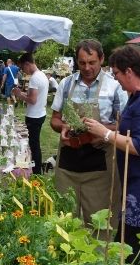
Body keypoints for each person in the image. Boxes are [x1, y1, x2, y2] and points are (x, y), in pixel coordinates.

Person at [84, 45, 140, 258]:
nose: (117, 80)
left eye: (117, 74)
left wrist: (105, 133)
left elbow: (138, 145)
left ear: (129, 71)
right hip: (139, 178)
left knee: (130, 242)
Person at [50, 39, 126, 232]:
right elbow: (55, 120)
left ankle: (101, 260)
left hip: (100, 163)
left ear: (101, 59)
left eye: (92, 62)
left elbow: (123, 124)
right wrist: (65, 126)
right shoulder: (66, 84)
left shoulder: (115, 86)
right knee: (64, 218)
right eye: (82, 63)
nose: (87, 67)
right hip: (69, 161)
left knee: (101, 222)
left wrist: (102, 130)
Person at [12, 53, 49, 175]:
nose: (23, 71)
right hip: (40, 113)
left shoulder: (34, 78)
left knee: (34, 145)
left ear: (27, 64)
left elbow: (32, 100)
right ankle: (36, 168)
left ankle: (37, 171)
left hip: (34, 116)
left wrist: (19, 94)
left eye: (23, 68)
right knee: (34, 143)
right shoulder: (42, 75)